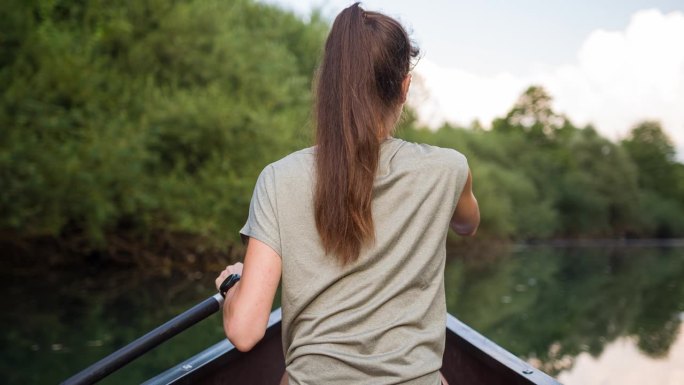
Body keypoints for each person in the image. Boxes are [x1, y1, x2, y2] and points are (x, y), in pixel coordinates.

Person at [214, 3, 479, 384]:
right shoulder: (450, 169)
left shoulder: (278, 178)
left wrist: (232, 285)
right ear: (404, 87)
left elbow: (244, 330)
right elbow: (468, 225)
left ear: (328, 85)